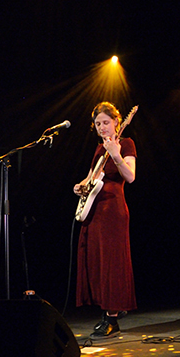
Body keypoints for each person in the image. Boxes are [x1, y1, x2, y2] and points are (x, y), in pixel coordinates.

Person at [73, 102, 137, 337]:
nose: (101, 127)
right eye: (98, 123)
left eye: (105, 122)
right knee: (97, 262)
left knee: (112, 263)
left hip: (113, 211)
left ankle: (112, 318)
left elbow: (130, 177)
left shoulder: (126, 144)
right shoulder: (99, 150)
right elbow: (91, 177)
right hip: (95, 210)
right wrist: (80, 186)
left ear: (117, 122)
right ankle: (108, 311)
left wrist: (116, 155)